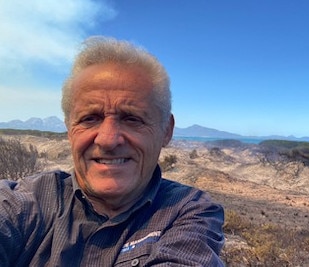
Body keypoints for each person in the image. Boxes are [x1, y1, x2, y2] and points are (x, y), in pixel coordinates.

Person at [0, 36, 225, 266]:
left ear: (166, 131)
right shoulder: (28, 202)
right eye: (90, 118)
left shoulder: (188, 211)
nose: (108, 140)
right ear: (69, 130)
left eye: (131, 118)